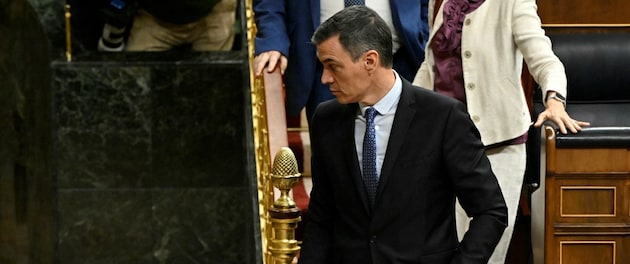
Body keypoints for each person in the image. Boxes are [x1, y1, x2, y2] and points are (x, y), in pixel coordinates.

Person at [283, 6, 508, 264]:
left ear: (369, 61)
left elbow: (491, 212)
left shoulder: (443, 118)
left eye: (332, 65)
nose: (324, 79)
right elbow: (323, 217)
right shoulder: (326, 119)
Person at [412, 0, 590, 264]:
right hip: (438, 152)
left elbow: (542, 56)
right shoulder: (441, 2)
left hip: (496, 151)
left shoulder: (512, 0)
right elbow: (431, 70)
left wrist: (554, 98)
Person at [253, 0, 430, 120]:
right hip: (326, 73)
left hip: (400, 62)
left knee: (404, 161)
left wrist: (424, 30)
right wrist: (272, 40)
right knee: (333, 164)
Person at [97, 0, 237, 52]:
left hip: (212, 16)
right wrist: (111, 43)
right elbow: (116, 9)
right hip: (155, 22)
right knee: (137, 84)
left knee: (213, 85)